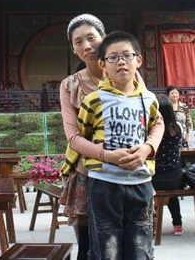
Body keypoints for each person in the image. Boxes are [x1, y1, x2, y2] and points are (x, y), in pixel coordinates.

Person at [59, 15, 163, 260]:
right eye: (78, 42)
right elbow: (73, 136)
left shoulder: (130, 74)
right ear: (73, 49)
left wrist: (147, 148)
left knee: (137, 242)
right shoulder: (70, 85)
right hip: (91, 176)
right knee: (95, 246)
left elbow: (155, 120)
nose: (86, 46)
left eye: (91, 37)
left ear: (103, 38)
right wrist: (106, 155)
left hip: (133, 172)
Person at [151, 95, 185, 236]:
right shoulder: (178, 128)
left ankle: (151, 225)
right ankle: (177, 225)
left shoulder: (151, 129)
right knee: (172, 195)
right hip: (175, 179)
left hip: (154, 179)